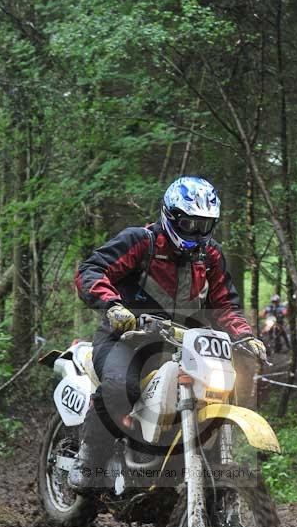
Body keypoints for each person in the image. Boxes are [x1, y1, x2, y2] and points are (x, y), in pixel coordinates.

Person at [69, 176, 267, 491]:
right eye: (189, 222)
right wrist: (113, 305)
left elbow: (226, 304)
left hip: (184, 343)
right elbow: (92, 270)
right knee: (122, 385)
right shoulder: (141, 241)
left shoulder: (210, 256)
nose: (196, 232)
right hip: (127, 336)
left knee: (219, 389)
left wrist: (245, 336)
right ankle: (89, 459)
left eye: (204, 225)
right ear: (171, 216)